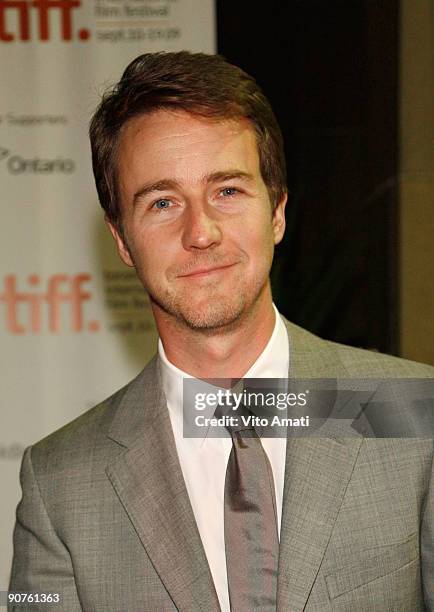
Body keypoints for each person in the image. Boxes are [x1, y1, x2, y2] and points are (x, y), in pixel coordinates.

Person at [9, 51, 433, 611]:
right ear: (121, 240)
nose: (200, 232)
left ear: (277, 212)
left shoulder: (412, 418)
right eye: (162, 202)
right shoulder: (59, 483)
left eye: (227, 191)